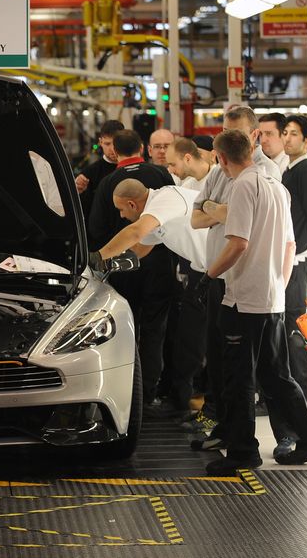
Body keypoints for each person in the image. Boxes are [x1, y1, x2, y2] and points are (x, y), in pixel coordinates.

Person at [201, 129, 307, 476]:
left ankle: (243, 451)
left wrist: (210, 274)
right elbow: (290, 246)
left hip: (243, 298)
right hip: (271, 295)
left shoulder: (243, 185)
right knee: (275, 375)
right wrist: (277, 285)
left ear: (222, 157)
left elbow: (238, 243)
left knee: (239, 376)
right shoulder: (276, 185)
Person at [93, 179, 208, 415]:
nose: (122, 216)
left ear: (133, 204)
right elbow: (140, 248)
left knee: (199, 345)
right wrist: (104, 271)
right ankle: (183, 404)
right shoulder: (154, 213)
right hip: (202, 273)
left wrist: (96, 258)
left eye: (122, 210)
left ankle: (204, 409)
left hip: (219, 272)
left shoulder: (166, 199)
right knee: (188, 342)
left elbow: (135, 231)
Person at [87, 130, 176, 408]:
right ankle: (150, 392)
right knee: (156, 330)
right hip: (161, 264)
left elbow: (96, 230)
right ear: (142, 147)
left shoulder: (107, 183)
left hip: (123, 267)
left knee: (124, 330)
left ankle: (125, 392)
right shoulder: (161, 176)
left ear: (115, 149)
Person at [280, 115, 307, 399]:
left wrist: (302, 250)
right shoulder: (290, 169)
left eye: (293, 134)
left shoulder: (306, 170)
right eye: (285, 132)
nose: (287, 138)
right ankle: (291, 386)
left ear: (306, 141)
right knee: (287, 322)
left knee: (295, 321)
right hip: (290, 257)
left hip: (298, 259)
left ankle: (301, 390)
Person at [75, 120, 124, 225]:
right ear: (100, 142)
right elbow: (84, 210)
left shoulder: (132, 168)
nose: (112, 149)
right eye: (107, 144)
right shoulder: (89, 173)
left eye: (116, 143)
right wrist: (78, 192)